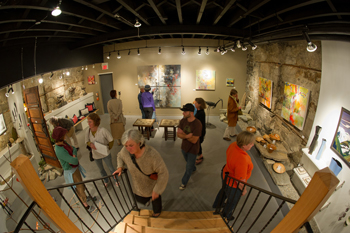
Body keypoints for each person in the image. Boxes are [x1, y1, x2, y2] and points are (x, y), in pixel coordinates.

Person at [113, 129, 169, 217]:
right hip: (137, 187)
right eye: (126, 145)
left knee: (156, 200)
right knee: (140, 200)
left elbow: (163, 173)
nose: (128, 148)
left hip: (152, 187)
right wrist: (120, 167)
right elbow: (120, 155)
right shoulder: (125, 151)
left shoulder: (152, 155)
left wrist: (157, 190)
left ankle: (157, 212)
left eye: (131, 145)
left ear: (139, 142)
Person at [213, 131, 255, 221]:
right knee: (232, 200)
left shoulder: (234, 144)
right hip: (233, 183)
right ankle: (226, 215)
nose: (253, 145)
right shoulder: (242, 159)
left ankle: (218, 204)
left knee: (224, 190)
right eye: (251, 144)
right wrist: (243, 190)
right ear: (244, 145)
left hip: (225, 173)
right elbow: (240, 180)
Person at [52, 126, 93, 212]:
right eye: (64, 134)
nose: (65, 135)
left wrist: (73, 155)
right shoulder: (59, 150)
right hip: (72, 172)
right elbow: (74, 161)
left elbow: (74, 149)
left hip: (75, 169)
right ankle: (85, 204)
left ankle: (85, 197)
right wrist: (74, 158)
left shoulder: (64, 143)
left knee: (81, 185)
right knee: (79, 188)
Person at [85, 113, 118, 187]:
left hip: (105, 154)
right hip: (96, 155)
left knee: (111, 168)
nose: (88, 124)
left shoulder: (103, 130)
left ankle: (116, 180)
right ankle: (106, 180)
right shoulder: (88, 131)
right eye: (88, 122)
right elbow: (86, 141)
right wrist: (90, 144)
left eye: (90, 122)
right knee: (101, 170)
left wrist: (107, 149)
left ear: (95, 122)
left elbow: (111, 140)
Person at [177, 103, 202, 190]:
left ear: (191, 113)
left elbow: (194, 140)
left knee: (188, 167)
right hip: (184, 148)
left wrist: (184, 133)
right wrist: (187, 136)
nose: (183, 113)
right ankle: (193, 167)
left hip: (193, 150)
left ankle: (184, 182)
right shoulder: (182, 121)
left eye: (185, 111)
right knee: (189, 162)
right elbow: (178, 134)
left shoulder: (197, 124)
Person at [194, 98, 206, 165]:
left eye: (196, 103)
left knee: (198, 144)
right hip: (199, 131)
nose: (194, 104)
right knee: (197, 143)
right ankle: (199, 155)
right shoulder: (199, 111)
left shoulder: (201, 113)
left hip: (200, 132)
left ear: (199, 104)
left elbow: (198, 123)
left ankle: (200, 156)